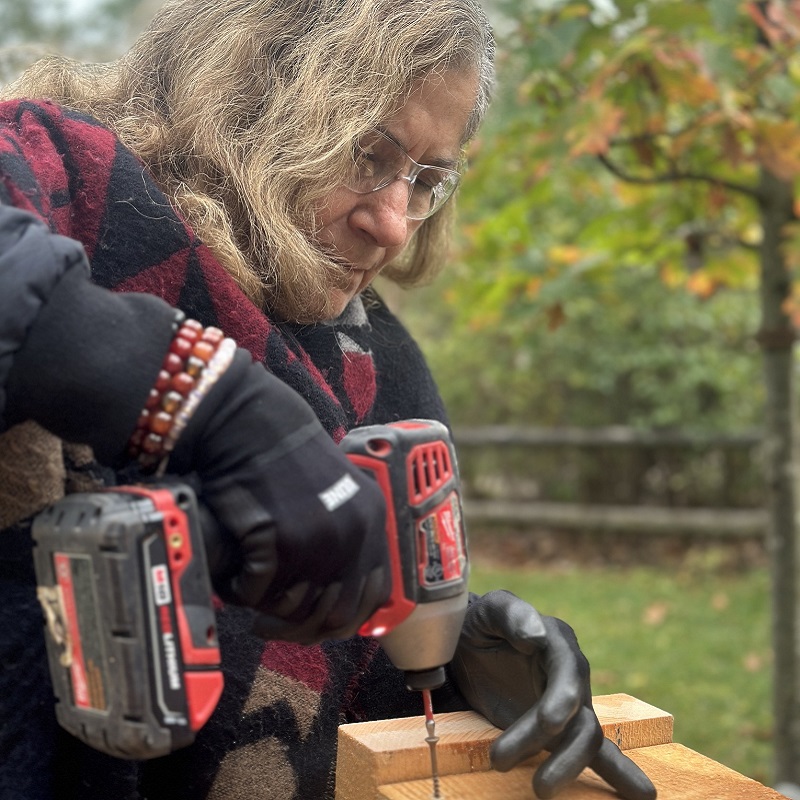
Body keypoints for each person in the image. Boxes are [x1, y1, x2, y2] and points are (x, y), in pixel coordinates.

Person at [0, 1, 657, 799]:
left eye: (426, 180)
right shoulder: (59, 176)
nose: (394, 225)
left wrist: (447, 672)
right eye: (369, 156)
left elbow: (331, 681)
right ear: (247, 103)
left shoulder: (378, 367)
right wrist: (209, 402)